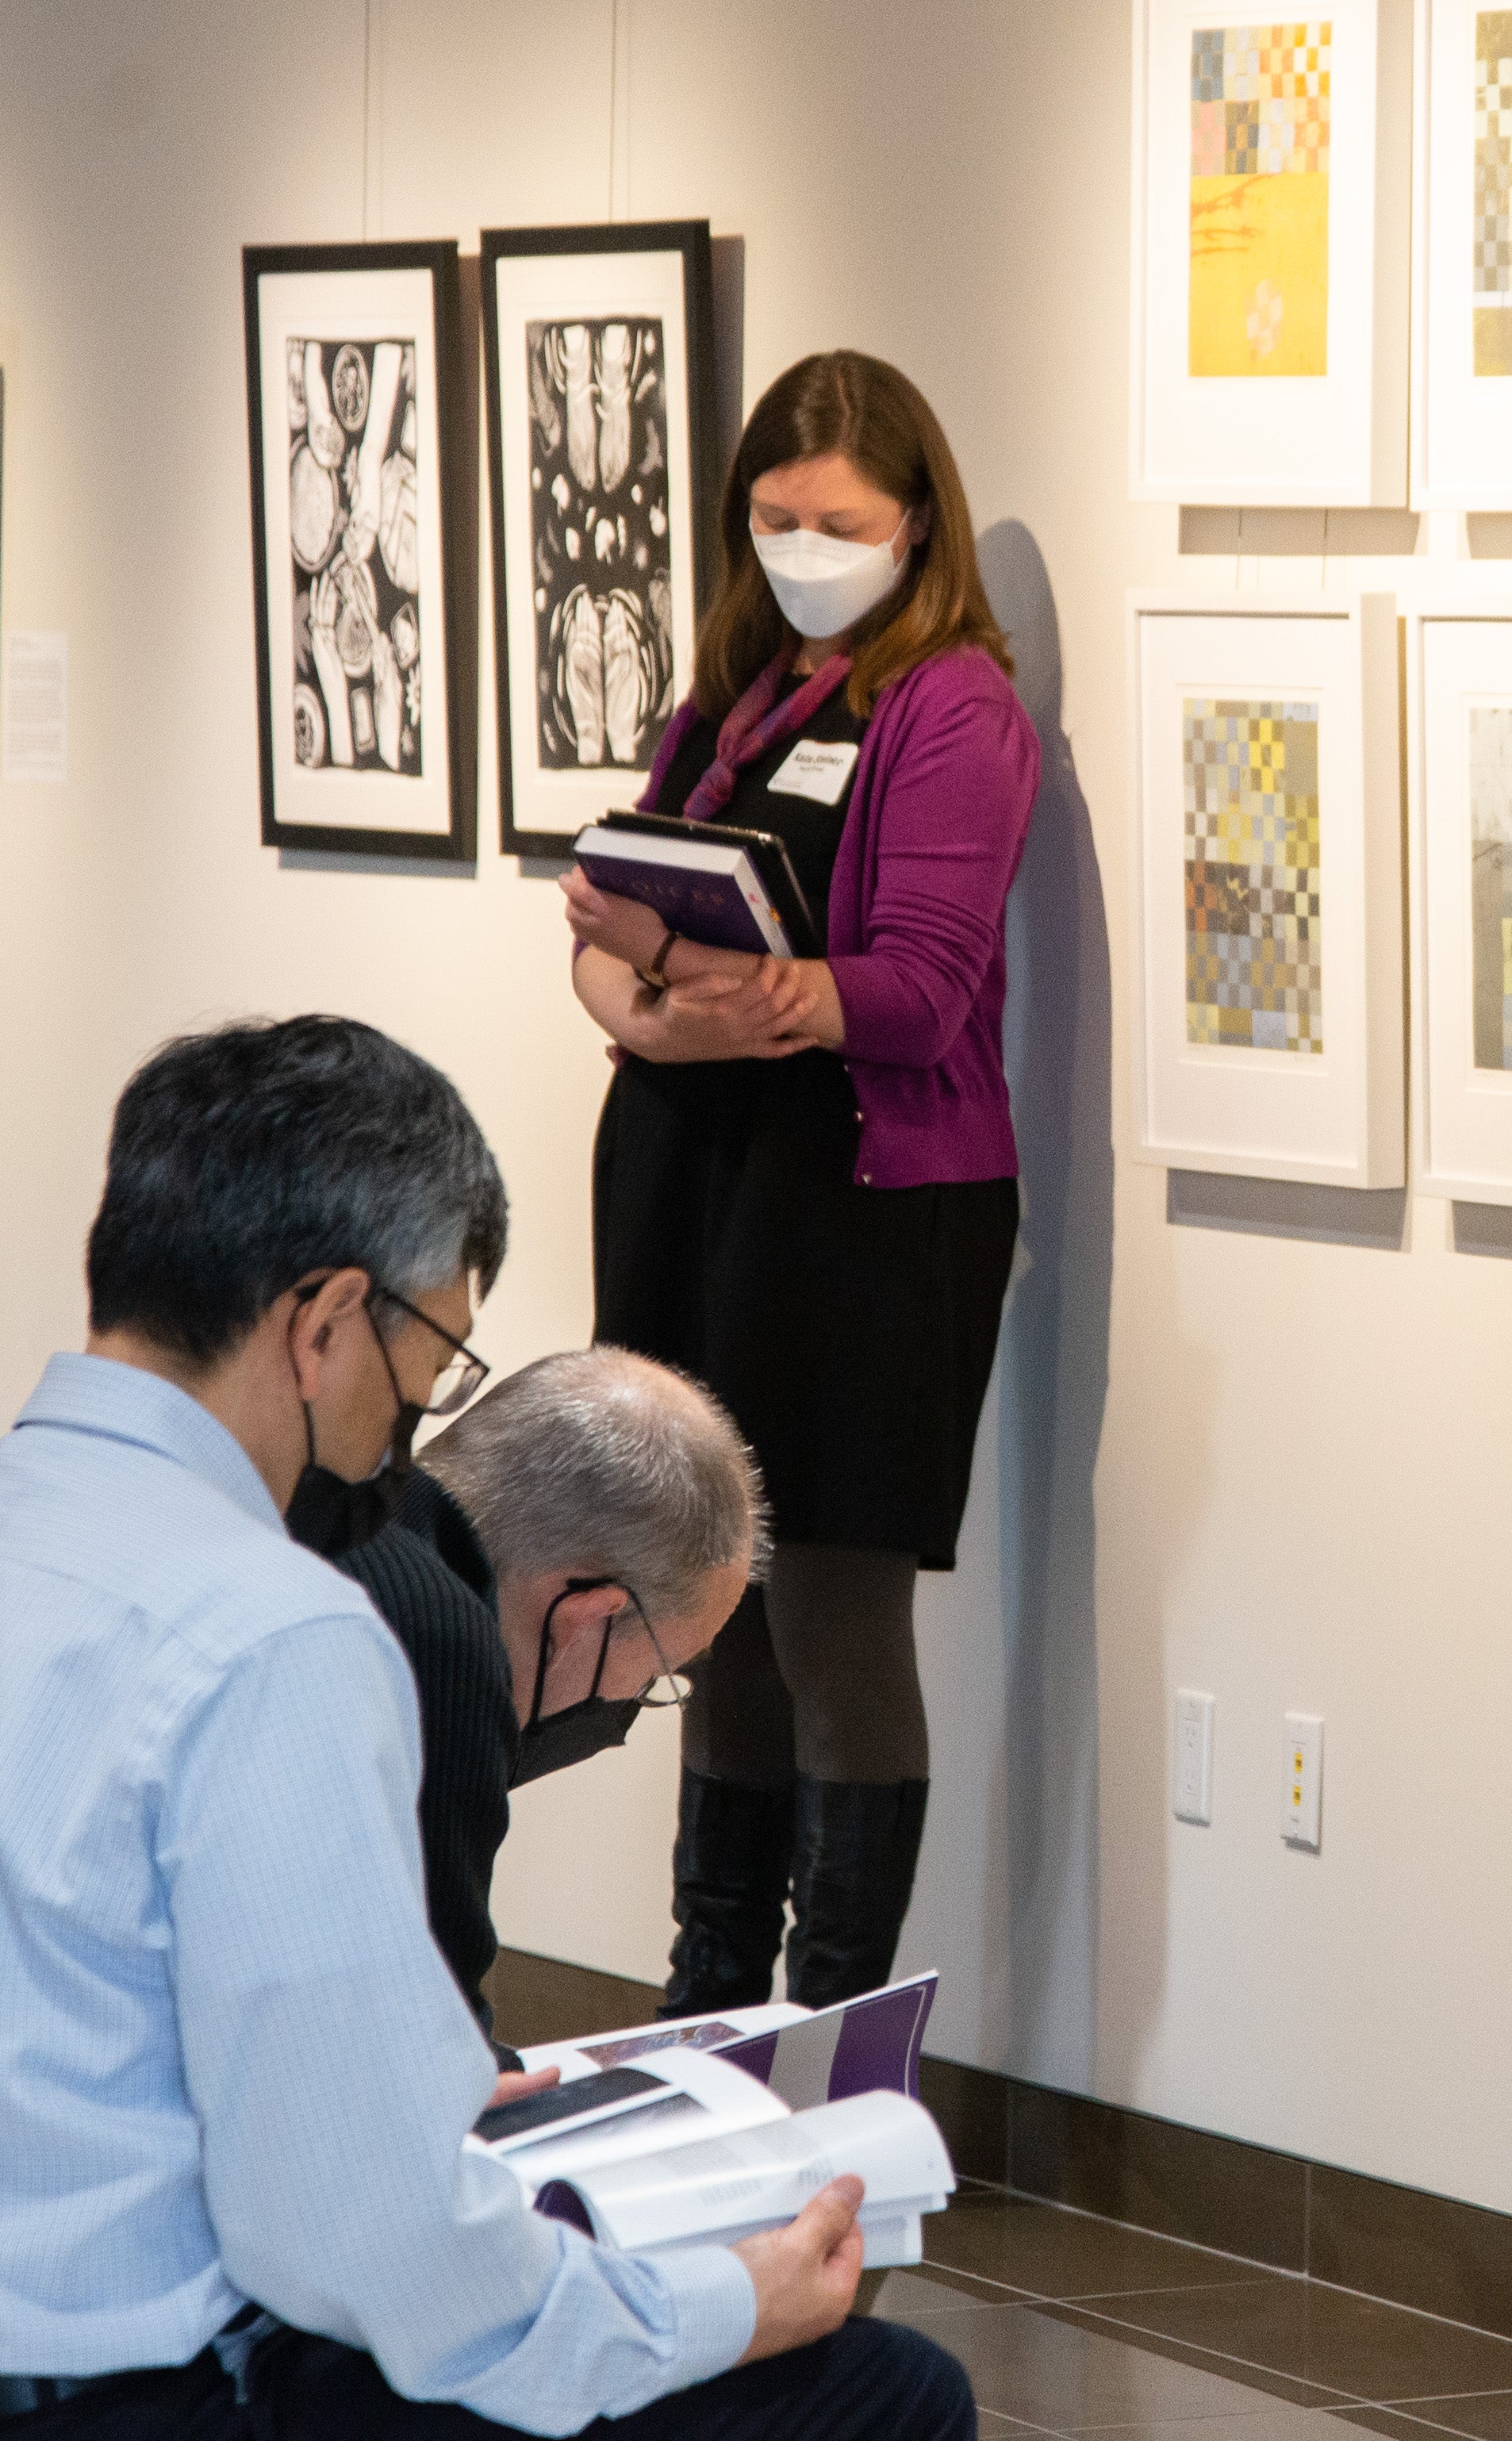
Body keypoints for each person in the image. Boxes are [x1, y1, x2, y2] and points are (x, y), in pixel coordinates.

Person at [0, 1015, 967, 2441]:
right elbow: (382, 2254)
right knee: (880, 2393)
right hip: (107, 2406)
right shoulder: (275, 1632)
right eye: (433, 1362)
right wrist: (724, 2303)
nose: (412, 1426)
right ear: (327, 1322)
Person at [562, 351, 1038, 2010]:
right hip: (698, 1192)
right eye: (772, 516)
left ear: (915, 525)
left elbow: (913, 991)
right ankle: (710, 2013)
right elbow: (617, 953)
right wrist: (676, 1003)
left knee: (832, 1613)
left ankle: (827, 2042)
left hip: (865, 1211)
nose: (801, 546)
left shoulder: (952, 705)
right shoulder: (734, 687)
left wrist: (712, 1003)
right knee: (715, 1609)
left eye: (836, 521)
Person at [299, 1343, 768, 2037]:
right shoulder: (440, 1648)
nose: (628, 1710)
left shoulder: (313, 1517)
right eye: (654, 1677)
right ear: (586, 1616)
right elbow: (436, 2059)